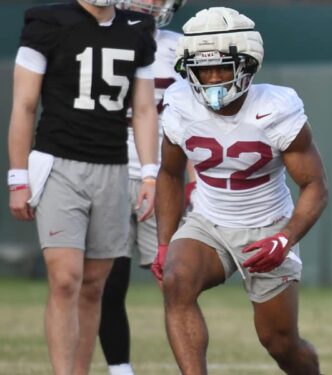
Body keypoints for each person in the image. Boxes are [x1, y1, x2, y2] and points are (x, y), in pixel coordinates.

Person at [152, 7, 328, 375]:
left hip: (267, 226)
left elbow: (314, 187)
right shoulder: (179, 103)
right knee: (176, 281)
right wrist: (166, 242)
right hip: (208, 221)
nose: (213, 78)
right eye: (203, 69)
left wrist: (284, 239)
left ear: (247, 65)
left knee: (280, 343)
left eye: (222, 67)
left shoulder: (276, 109)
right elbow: (169, 175)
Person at [7, 0, 158, 374]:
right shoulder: (47, 21)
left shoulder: (137, 28)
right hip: (59, 163)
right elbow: (24, 105)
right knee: (65, 279)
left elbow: (143, 109)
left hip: (113, 167)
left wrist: (151, 172)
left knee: (93, 285)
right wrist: (17, 177)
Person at [97, 1, 186, 374]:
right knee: (108, 285)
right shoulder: (95, 41)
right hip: (109, 173)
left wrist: (192, 182)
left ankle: (192, 366)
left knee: (178, 285)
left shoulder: (181, 48)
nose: (150, 2)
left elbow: (196, 121)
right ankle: (120, 369)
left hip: (163, 178)